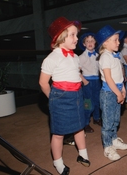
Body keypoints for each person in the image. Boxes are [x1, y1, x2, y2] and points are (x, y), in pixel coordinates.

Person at [39, 17, 90, 175]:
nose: (77, 39)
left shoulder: (75, 57)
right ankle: (58, 162)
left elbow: (76, 74)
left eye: (76, 35)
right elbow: (43, 82)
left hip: (77, 95)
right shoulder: (52, 58)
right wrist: (53, 98)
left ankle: (83, 155)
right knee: (59, 133)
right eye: (73, 35)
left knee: (80, 127)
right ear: (61, 37)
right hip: (60, 97)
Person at [95, 25, 127, 161]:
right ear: (105, 42)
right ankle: (107, 146)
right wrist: (118, 93)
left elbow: (118, 77)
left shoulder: (114, 56)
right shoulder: (105, 57)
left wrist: (123, 89)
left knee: (116, 119)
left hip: (117, 90)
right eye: (115, 40)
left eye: (118, 40)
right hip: (109, 93)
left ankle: (114, 139)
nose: (118, 42)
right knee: (108, 122)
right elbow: (109, 79)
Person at [78, 32, 102, 134]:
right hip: (87, 82)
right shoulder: (81, 57)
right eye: (87, 41)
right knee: (88, 103)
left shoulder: (98, 55)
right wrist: (84, 81)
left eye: (92, 41)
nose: (90, 43)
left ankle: (97, 118)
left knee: (97, 101)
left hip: (97, 80)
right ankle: (86, 123)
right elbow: (77, 71)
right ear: (84, 44)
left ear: (95, 43)